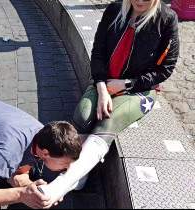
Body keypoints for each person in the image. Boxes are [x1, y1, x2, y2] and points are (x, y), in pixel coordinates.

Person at [38, 0, 179, 204]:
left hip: (139, 89)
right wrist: (102, 88)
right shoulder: (114, 10)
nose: (139, 1)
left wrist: (126, 84)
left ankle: (62, 183)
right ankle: (81, 176)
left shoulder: (166, 19)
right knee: (83, 115)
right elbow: (98, 52)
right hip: (104, 82)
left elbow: (165, 69)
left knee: (108, 120)